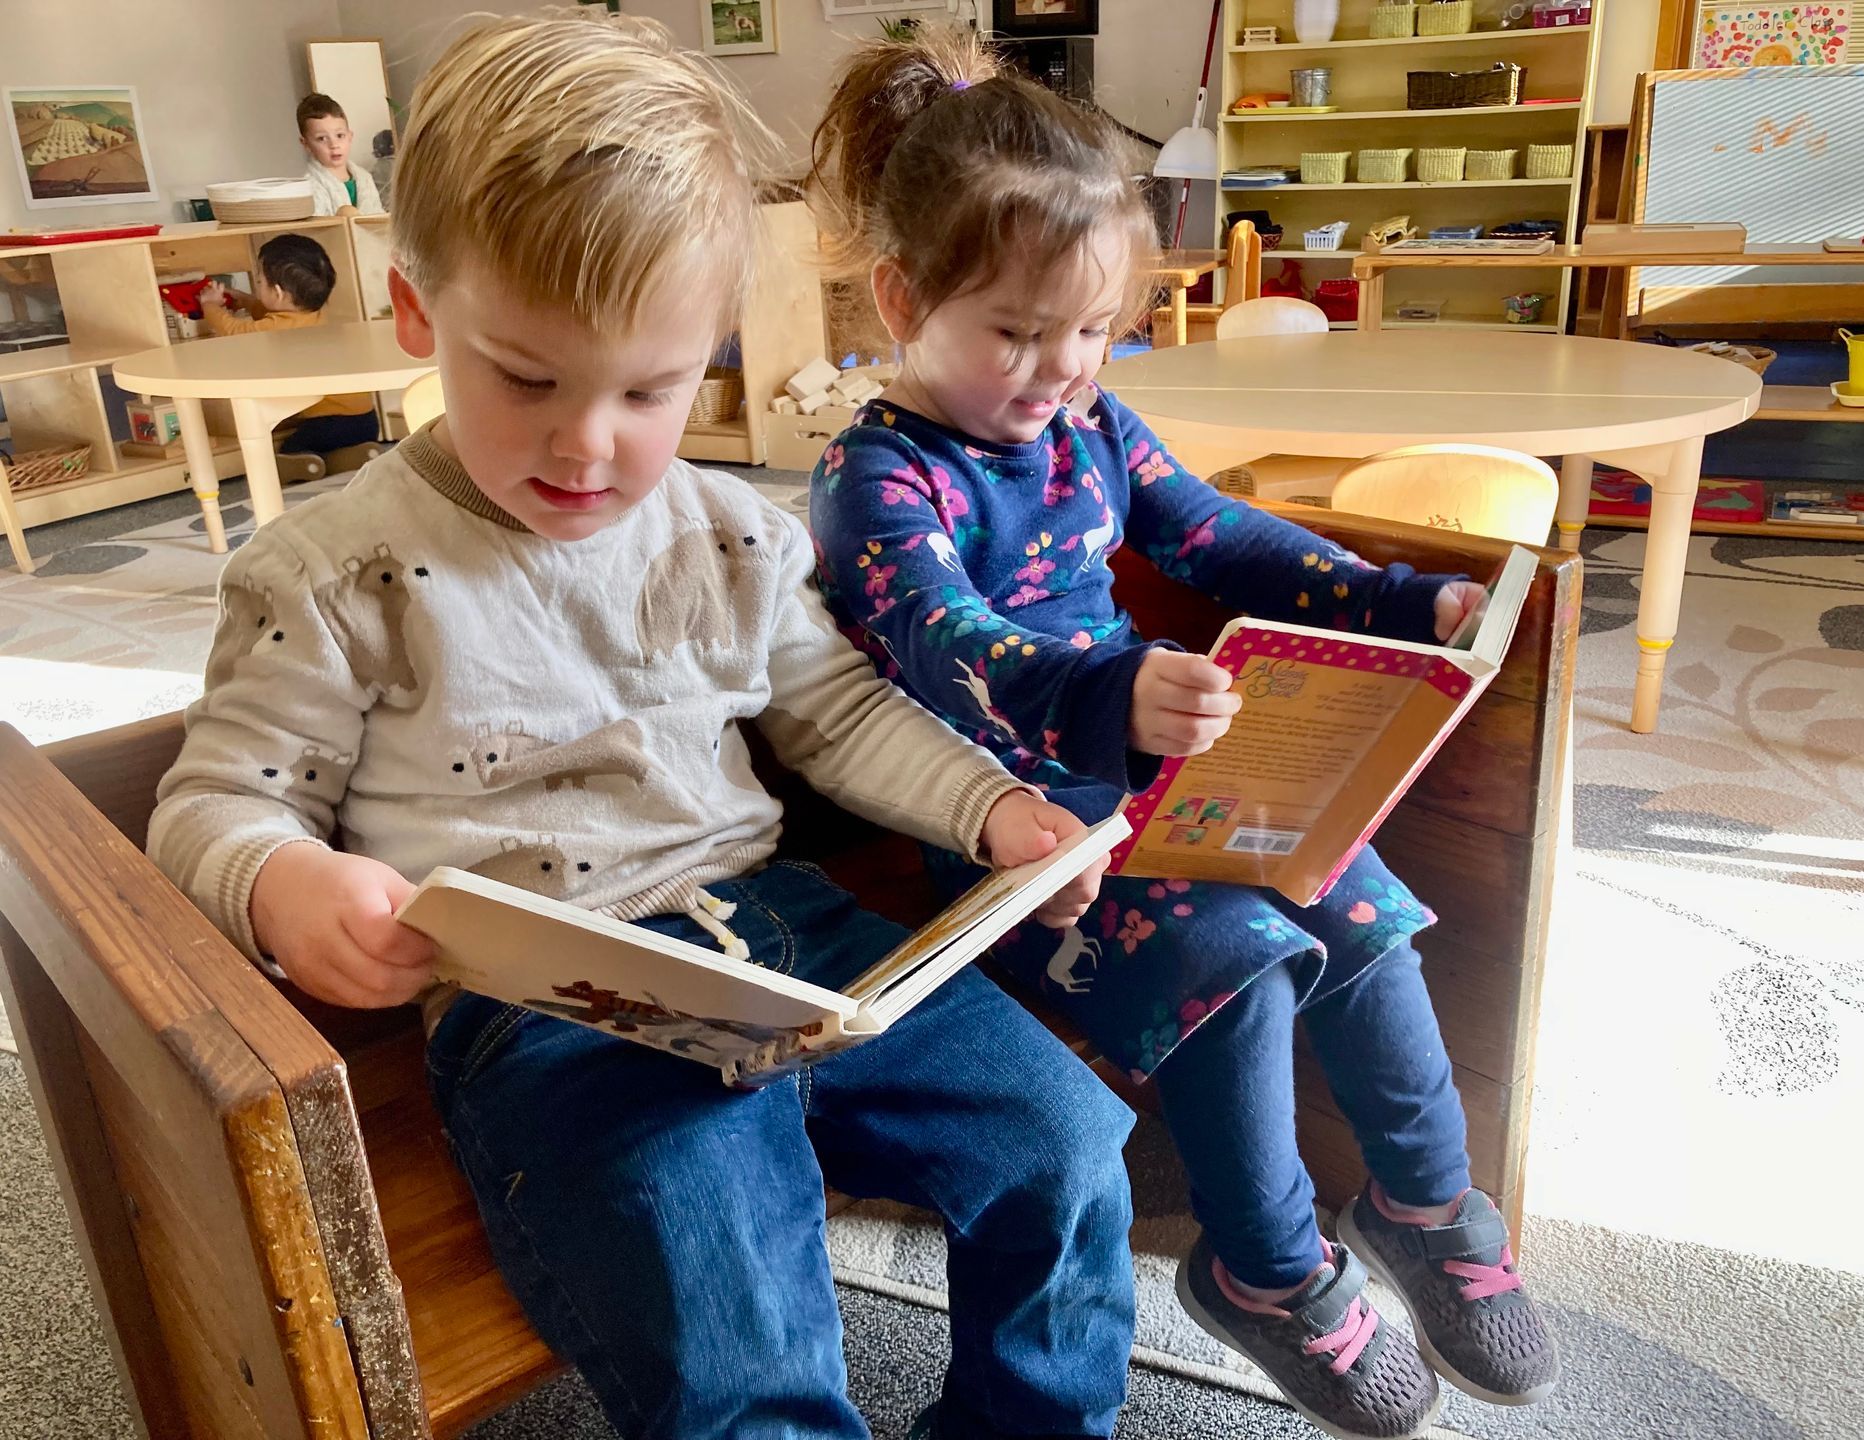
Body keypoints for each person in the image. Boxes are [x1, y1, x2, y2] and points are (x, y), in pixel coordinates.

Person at [150, 14, 1134, 1440]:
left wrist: (991, 808)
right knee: (735, 1321)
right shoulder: (333, 574)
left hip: (790, 942)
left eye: (650, 390)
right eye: (528, 377)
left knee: (1067, 1148)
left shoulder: (728, 535)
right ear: (419, 313)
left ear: (710, 350)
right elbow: (207, 803)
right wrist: (282, 880)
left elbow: (842, 712)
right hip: (550, 1004)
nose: (588, 443)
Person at [805, 28, 1559, 1440]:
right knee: (1240, 962)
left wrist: (1404, 597)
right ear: (903, 299)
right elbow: (938, 637)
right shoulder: (877, 472)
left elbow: (1215, 536)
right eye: (1017, 333)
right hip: (1021, 838)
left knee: (1364, 905)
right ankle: (1266, 1272)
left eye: (1091, 331)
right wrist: (1105, 694)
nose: (1058, 369)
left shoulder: (1087, 415)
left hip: (1174, 775)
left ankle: (1424, 1199)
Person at [196, 234, 381, 478]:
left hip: (327, 424)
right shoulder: (316, 317)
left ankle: (302, 466)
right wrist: (245, 300)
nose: (257, 287)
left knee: (291, 450)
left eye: (260, 282)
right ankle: (355, 456)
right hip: (366, 419)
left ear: (280, 293)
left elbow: (235, 331)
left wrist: (209, 306)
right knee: (330, 447)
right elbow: (271, 314)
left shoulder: (276, 327)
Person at [297, 92, 385, 216]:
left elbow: (377, 218)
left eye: (339, 136)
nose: (334, 145)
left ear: (350, 136)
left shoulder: (364, 178)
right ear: (305, 144)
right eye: (322, 138)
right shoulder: (309, 187)